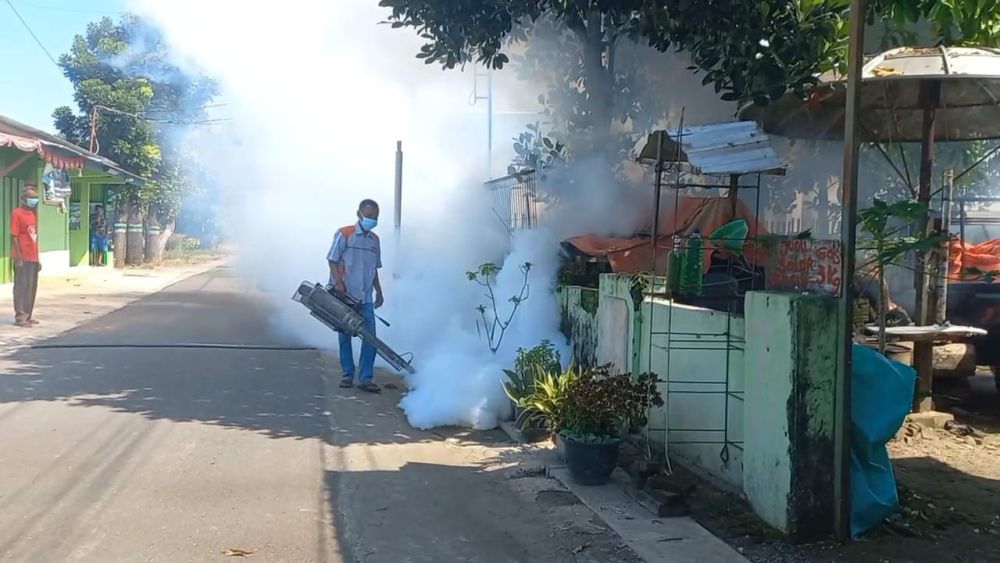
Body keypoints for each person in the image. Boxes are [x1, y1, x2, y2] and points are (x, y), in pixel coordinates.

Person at [327, 199, 384, 393]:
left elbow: (374, 269)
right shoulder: (344, 234)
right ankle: (347, 374)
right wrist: (339, 282)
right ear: (359, 214)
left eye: (375, 217)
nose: (372, 220)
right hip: (344, 295)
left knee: (370, 339)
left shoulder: (374, 240)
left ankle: (365, 378)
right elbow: (332, 260)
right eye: (368, 216)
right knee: (345, 336)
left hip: (365, 297)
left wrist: (379, 291)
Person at [11, 186, 41, 327]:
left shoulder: (33, 215)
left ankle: (28, 315)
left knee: (31, 287)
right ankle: (20, 316)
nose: (33, 200)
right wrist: (18, 257)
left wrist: (38, 259)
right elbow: (14, 236)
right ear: (24, 199)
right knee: (21, 287)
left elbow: (35, 238)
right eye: (31, 197)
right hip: (23, 257)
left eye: (35, 197)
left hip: (33, 257)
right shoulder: (17, 213)